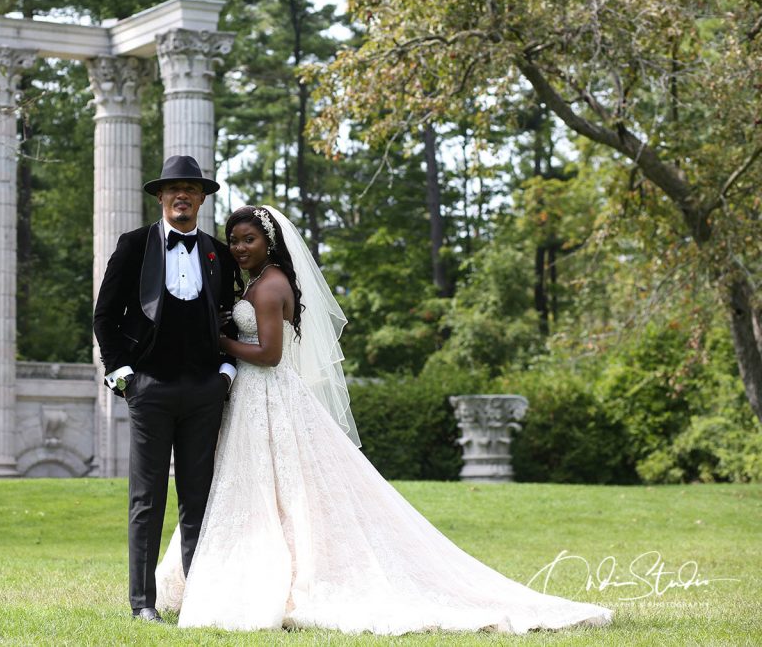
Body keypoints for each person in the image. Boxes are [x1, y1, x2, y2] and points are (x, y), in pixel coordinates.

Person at [154, 205, 613, 635]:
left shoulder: (271, 286)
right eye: (234, 240)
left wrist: (220, 343)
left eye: (248, 240)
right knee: (255, 486)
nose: (238, 248)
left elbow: (270, 356)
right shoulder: (257, 283)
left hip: (270, 394)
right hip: (254, 401)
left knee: (275, 485)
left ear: (269, 243)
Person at [93, 155, 240, 623]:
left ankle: (197, 600)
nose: (182, 196)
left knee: (199, 498)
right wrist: (123, 376)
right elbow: (105, 315)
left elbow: (231, 318)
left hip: (204, 391)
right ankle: (143, 604)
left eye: (191, 189)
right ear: (161, 197)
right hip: (149, 389)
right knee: (147, 499)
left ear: (202, 198)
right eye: (174, 189)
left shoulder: (218, 253)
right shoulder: (134, 245)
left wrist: (226, 374)